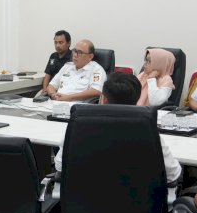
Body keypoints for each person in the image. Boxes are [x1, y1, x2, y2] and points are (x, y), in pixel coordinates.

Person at [53, 73, 182, 184]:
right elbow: (172, 174)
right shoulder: (147, 131)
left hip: (82, 208)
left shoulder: (78, 126)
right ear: (137, 101)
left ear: (103, 98)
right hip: (138, 210)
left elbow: (60, 165)